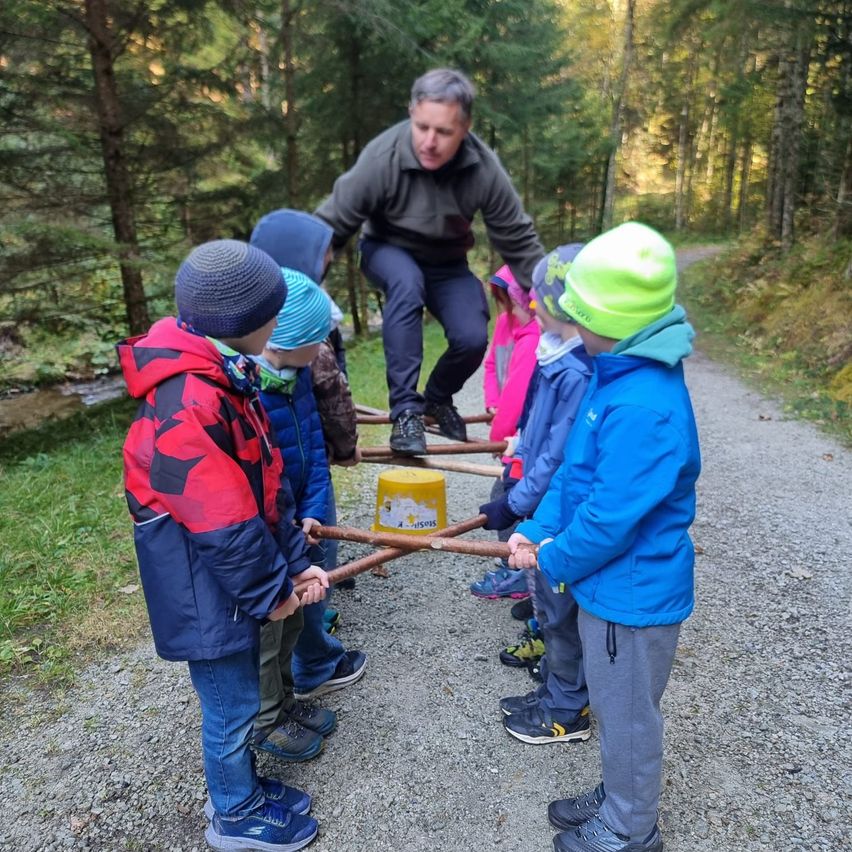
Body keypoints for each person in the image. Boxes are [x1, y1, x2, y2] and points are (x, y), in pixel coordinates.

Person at [117, 239, 328, 852]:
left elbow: (263, 487)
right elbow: (223, 523)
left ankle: (245, 790)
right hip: (200, 580)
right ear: (249, 322)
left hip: (224, 573)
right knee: (232, 703)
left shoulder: (224, 375)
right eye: (274, 311)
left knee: (235, 695)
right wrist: (271, 592)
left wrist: (293, 562)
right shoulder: (188, 401)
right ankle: (233, 813)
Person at [508, 223, 701, 852]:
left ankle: (630, 826)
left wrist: (553, 557)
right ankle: (619, 794)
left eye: (576, 319)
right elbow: (577, 474)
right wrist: (536, 528)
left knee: (628, 716)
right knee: (618, 711)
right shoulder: (615, 372)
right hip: (608, 586)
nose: (567, 329)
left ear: (606, 322)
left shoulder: (642, 404)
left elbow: (611, 518)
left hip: (632, 596)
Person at [315, 67, 545, 455]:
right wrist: (295, 288)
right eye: (421, 127)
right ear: (412, 113)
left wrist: (555, 301)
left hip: (447, 263)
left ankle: (436, 398)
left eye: (444, 132)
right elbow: (330, 227)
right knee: (406, 285)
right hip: (387, 250)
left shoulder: (482, 168)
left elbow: (517, 239)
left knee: (472, 334)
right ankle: (405, 411)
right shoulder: (382, 156)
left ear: (466, 126)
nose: (429, 141)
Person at [250, 210, 368, 706]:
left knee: (306, 587)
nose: (323, 350)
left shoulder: (291, 367)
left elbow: (315, 439)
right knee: (285, 599)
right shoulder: (246, 386)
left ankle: (302, 670)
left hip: (306, 500)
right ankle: (306, 670)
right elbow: (334, 397)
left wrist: (317, 502)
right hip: (274, 518)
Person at [472, 245, 592, 618]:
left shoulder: (574, 369)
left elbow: (557, 452)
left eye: (537, 303)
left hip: (549, 483)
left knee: (547, 551)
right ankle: (540, 610)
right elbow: (533, 421)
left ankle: (546, 624)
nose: (531, 311)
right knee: (535, 541)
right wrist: (517, 450)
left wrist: (514, 502)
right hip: (535, 473)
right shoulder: (552, 351)